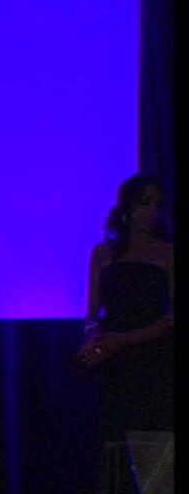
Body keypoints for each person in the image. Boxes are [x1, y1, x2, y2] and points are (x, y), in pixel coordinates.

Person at [72, 173, 173, 436]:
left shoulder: (167, 253)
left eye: (158, 205)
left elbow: (171, 317)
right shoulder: (102, 253)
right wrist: (91, 341)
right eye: (144, 203)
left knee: (150, 434)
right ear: (127, 207)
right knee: (114, 435)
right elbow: (92, 312)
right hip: (112, 357)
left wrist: (125, 339)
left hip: (153, 356)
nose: (152, 211)